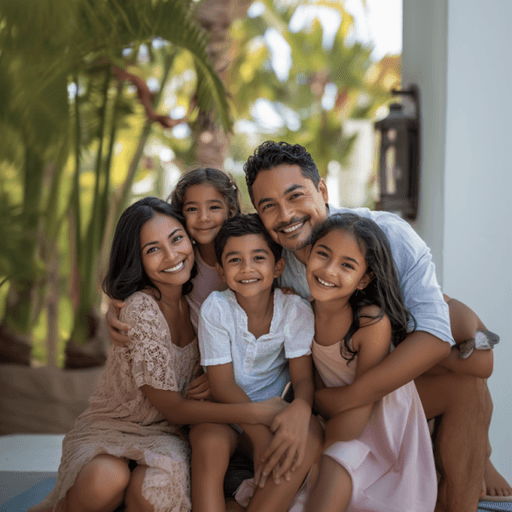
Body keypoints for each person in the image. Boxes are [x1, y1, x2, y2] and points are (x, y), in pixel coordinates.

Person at [243, 140, 503, 511]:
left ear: (321, 190)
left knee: (475, 370)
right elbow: (212, 263)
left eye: (295, 196)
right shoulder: (270, 257)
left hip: (387, 362)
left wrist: (351, 398)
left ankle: (470, 480)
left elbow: (433, 334)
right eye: (269, 206)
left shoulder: (382, 235)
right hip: (336, 379)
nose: (285, 215)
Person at [30, 197, 284, 512]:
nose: (171, 255)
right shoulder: (141, 308)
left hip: (167, 435)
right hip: (114, 427)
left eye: (176, 239)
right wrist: (254, 413)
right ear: (137, 259)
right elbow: (173, 407)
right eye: (153, 249)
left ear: (190, 239)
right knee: (106, 479)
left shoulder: (200, 306)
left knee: (153, 491)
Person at [303, 212, 437, 512]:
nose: (328, 270)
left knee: (336, 465)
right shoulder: (300, 311)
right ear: (308, 253)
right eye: (322, 254)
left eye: (347, 265)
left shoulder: (370, 322)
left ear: (364, 279)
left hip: (379, 425)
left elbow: (356, 417)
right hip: (334, 417)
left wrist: (319, 403)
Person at [192, 213, 323, 512]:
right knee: (207, 441)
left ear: (278, 267)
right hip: (225, 414)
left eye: (258, 258)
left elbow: (302, 378)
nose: (247, 268)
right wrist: (259, 436)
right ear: (221, 271)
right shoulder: (217, 309)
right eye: (235, 260)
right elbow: (222, 385)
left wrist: (301, 408)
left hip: (273, 412)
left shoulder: (294, 310)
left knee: (309, 435)